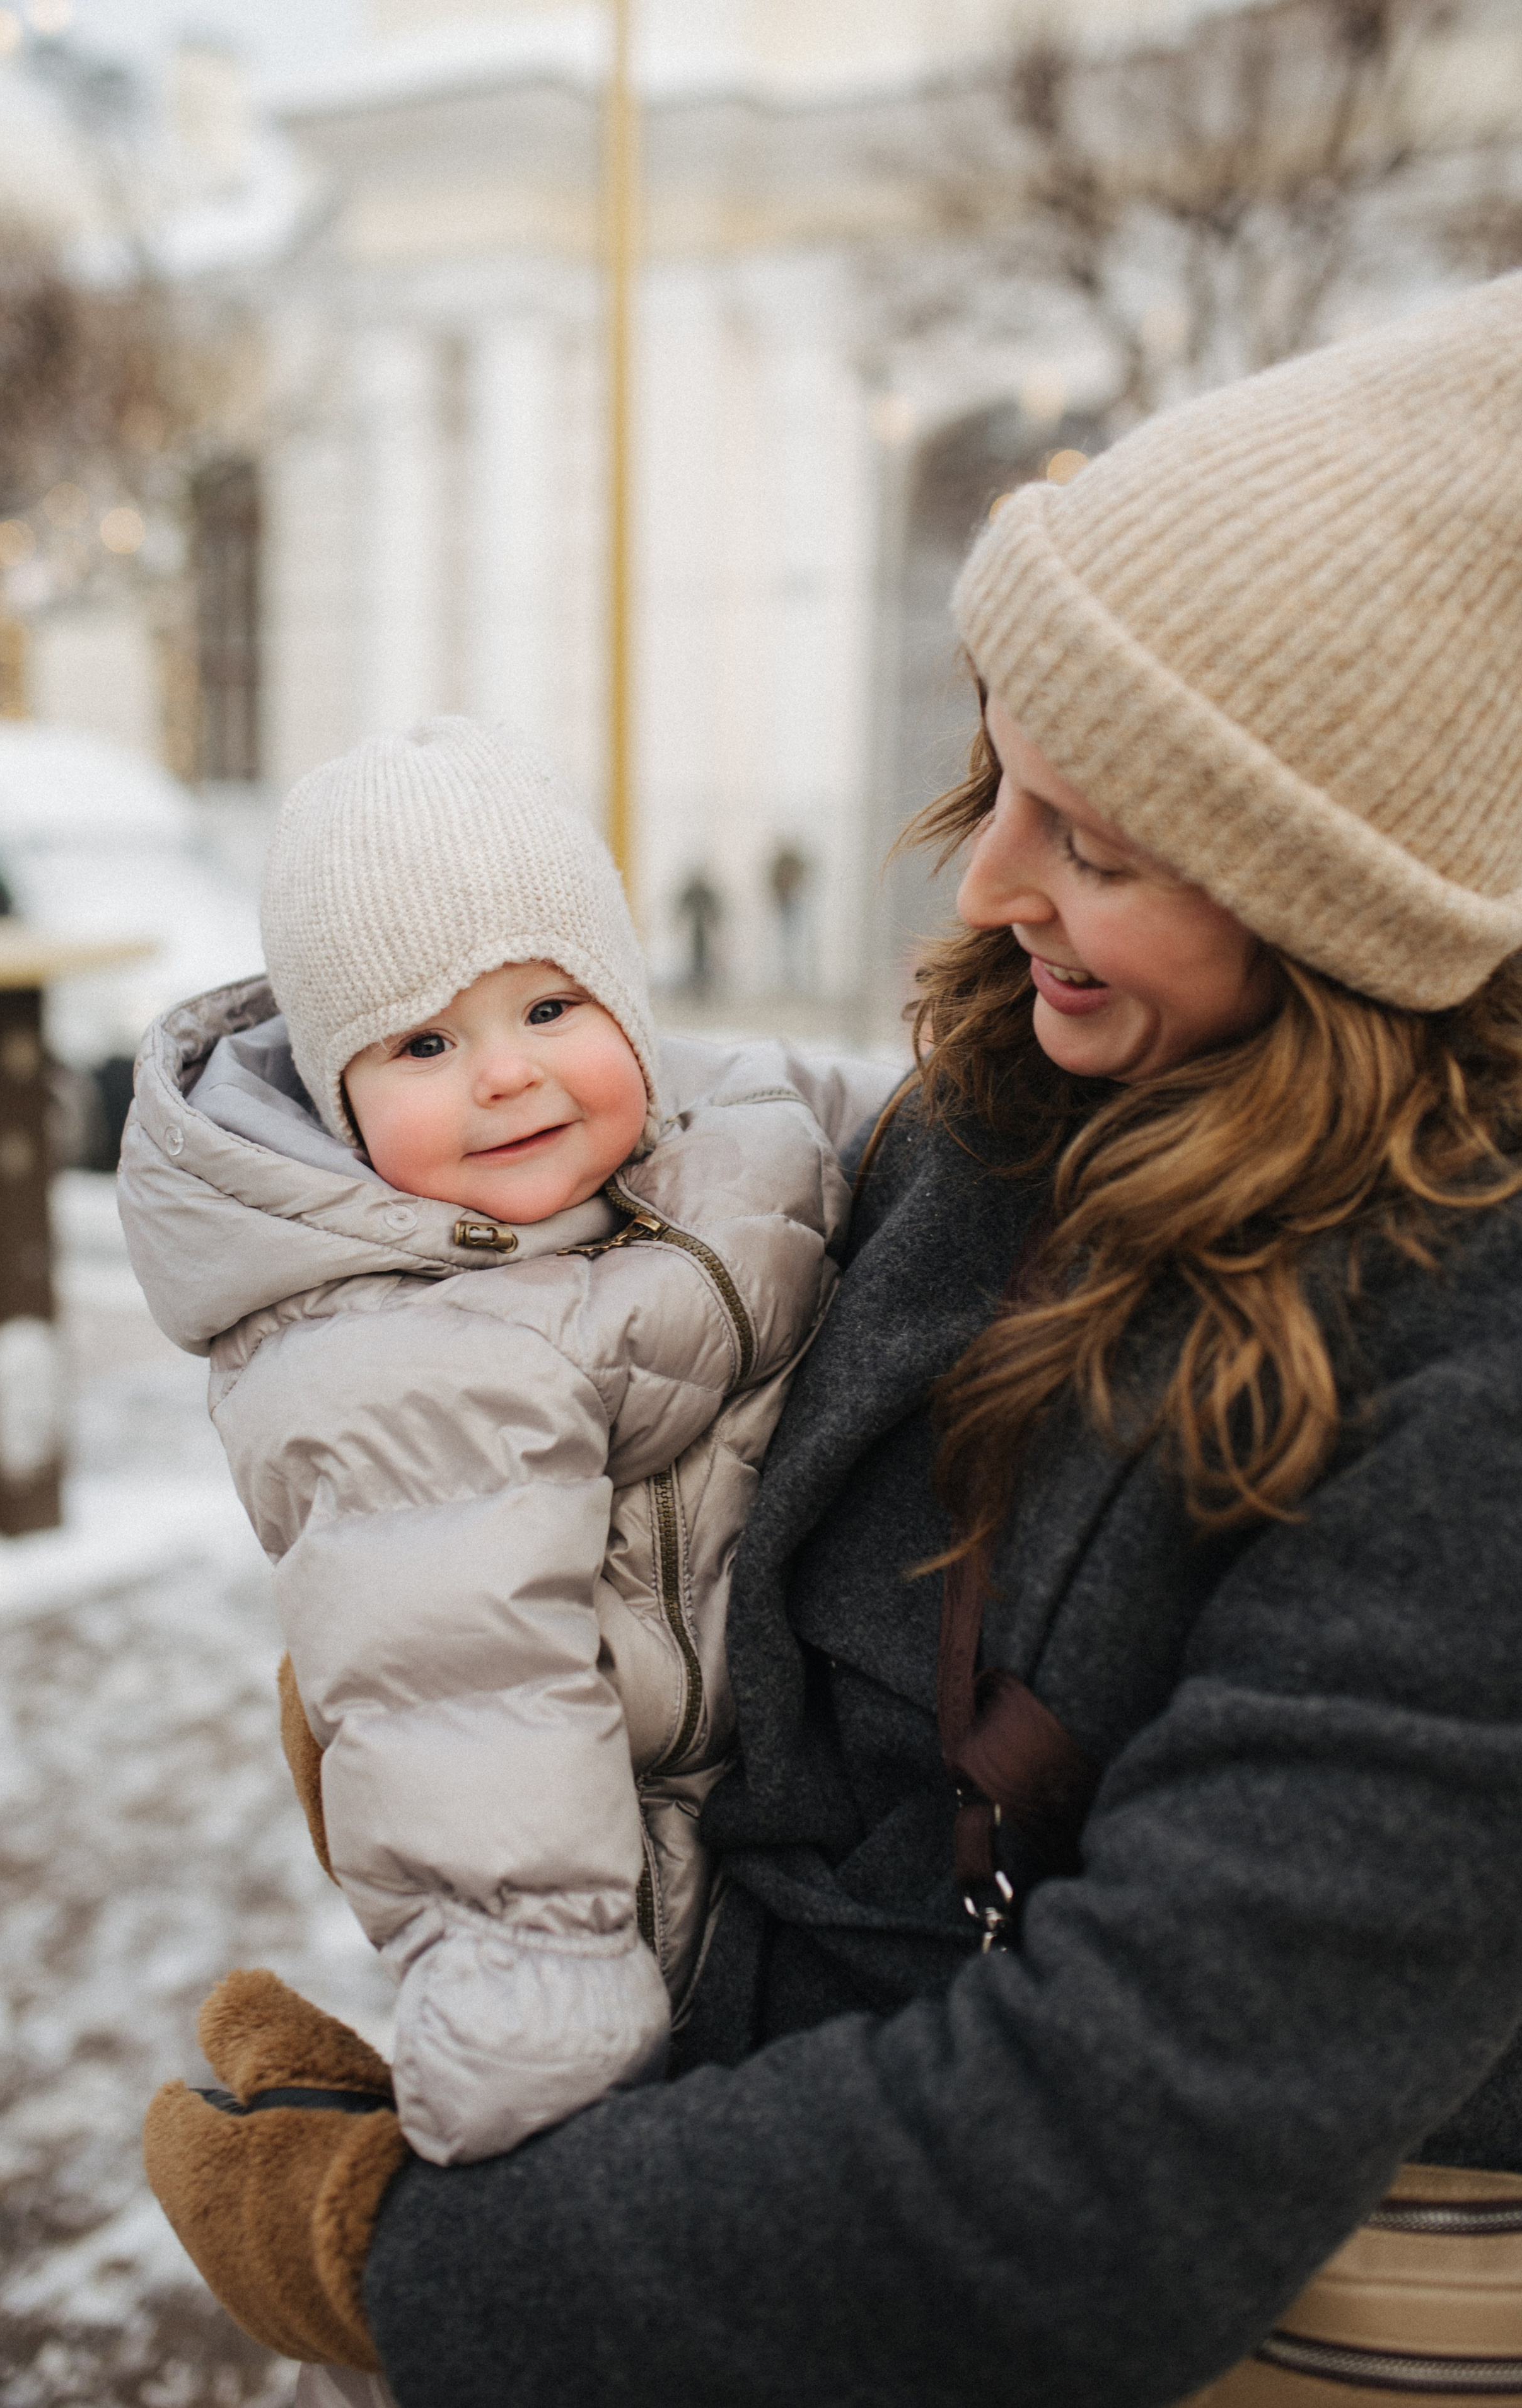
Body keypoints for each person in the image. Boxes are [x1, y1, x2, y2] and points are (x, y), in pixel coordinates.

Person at [146, 275, 1522, 2404]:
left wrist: (430, 2269)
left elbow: (1100, 2163)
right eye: (1001, 775)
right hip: (741, 2133)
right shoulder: (1010, 1107)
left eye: (1100, 838)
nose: (984, 881)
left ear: (1342, 896)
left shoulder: (1478, 1383)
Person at [120, 719, 891, 2398]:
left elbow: (912, 1120)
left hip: (803, 1796)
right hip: (634, 1886)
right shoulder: (399, 1364)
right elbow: (464, 1714)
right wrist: (547, 2056)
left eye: (550, 1004)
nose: (509, 1074)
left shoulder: (719, 1120)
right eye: (421, 1040)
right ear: (336, 1091)